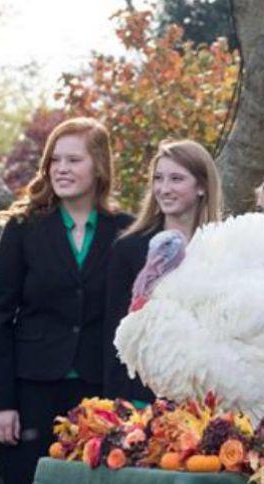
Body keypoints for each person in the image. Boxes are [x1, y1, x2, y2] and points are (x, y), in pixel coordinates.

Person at [0, 117, 133, 484]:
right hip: (31, 391)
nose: (61, 168)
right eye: (55, 159)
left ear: (99, 166)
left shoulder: (125, 231)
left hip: (97, 391)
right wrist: (0, 402)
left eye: (74, 159)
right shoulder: (24, 229)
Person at [104, 139, 223, 404]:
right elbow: (114, 332)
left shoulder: (222, 247)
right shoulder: (129, 248)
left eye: (176, 179)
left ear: (202, 186)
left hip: (209, 396)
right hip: (142, 397)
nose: (164, 188)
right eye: (158, 179)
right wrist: (116, 404)